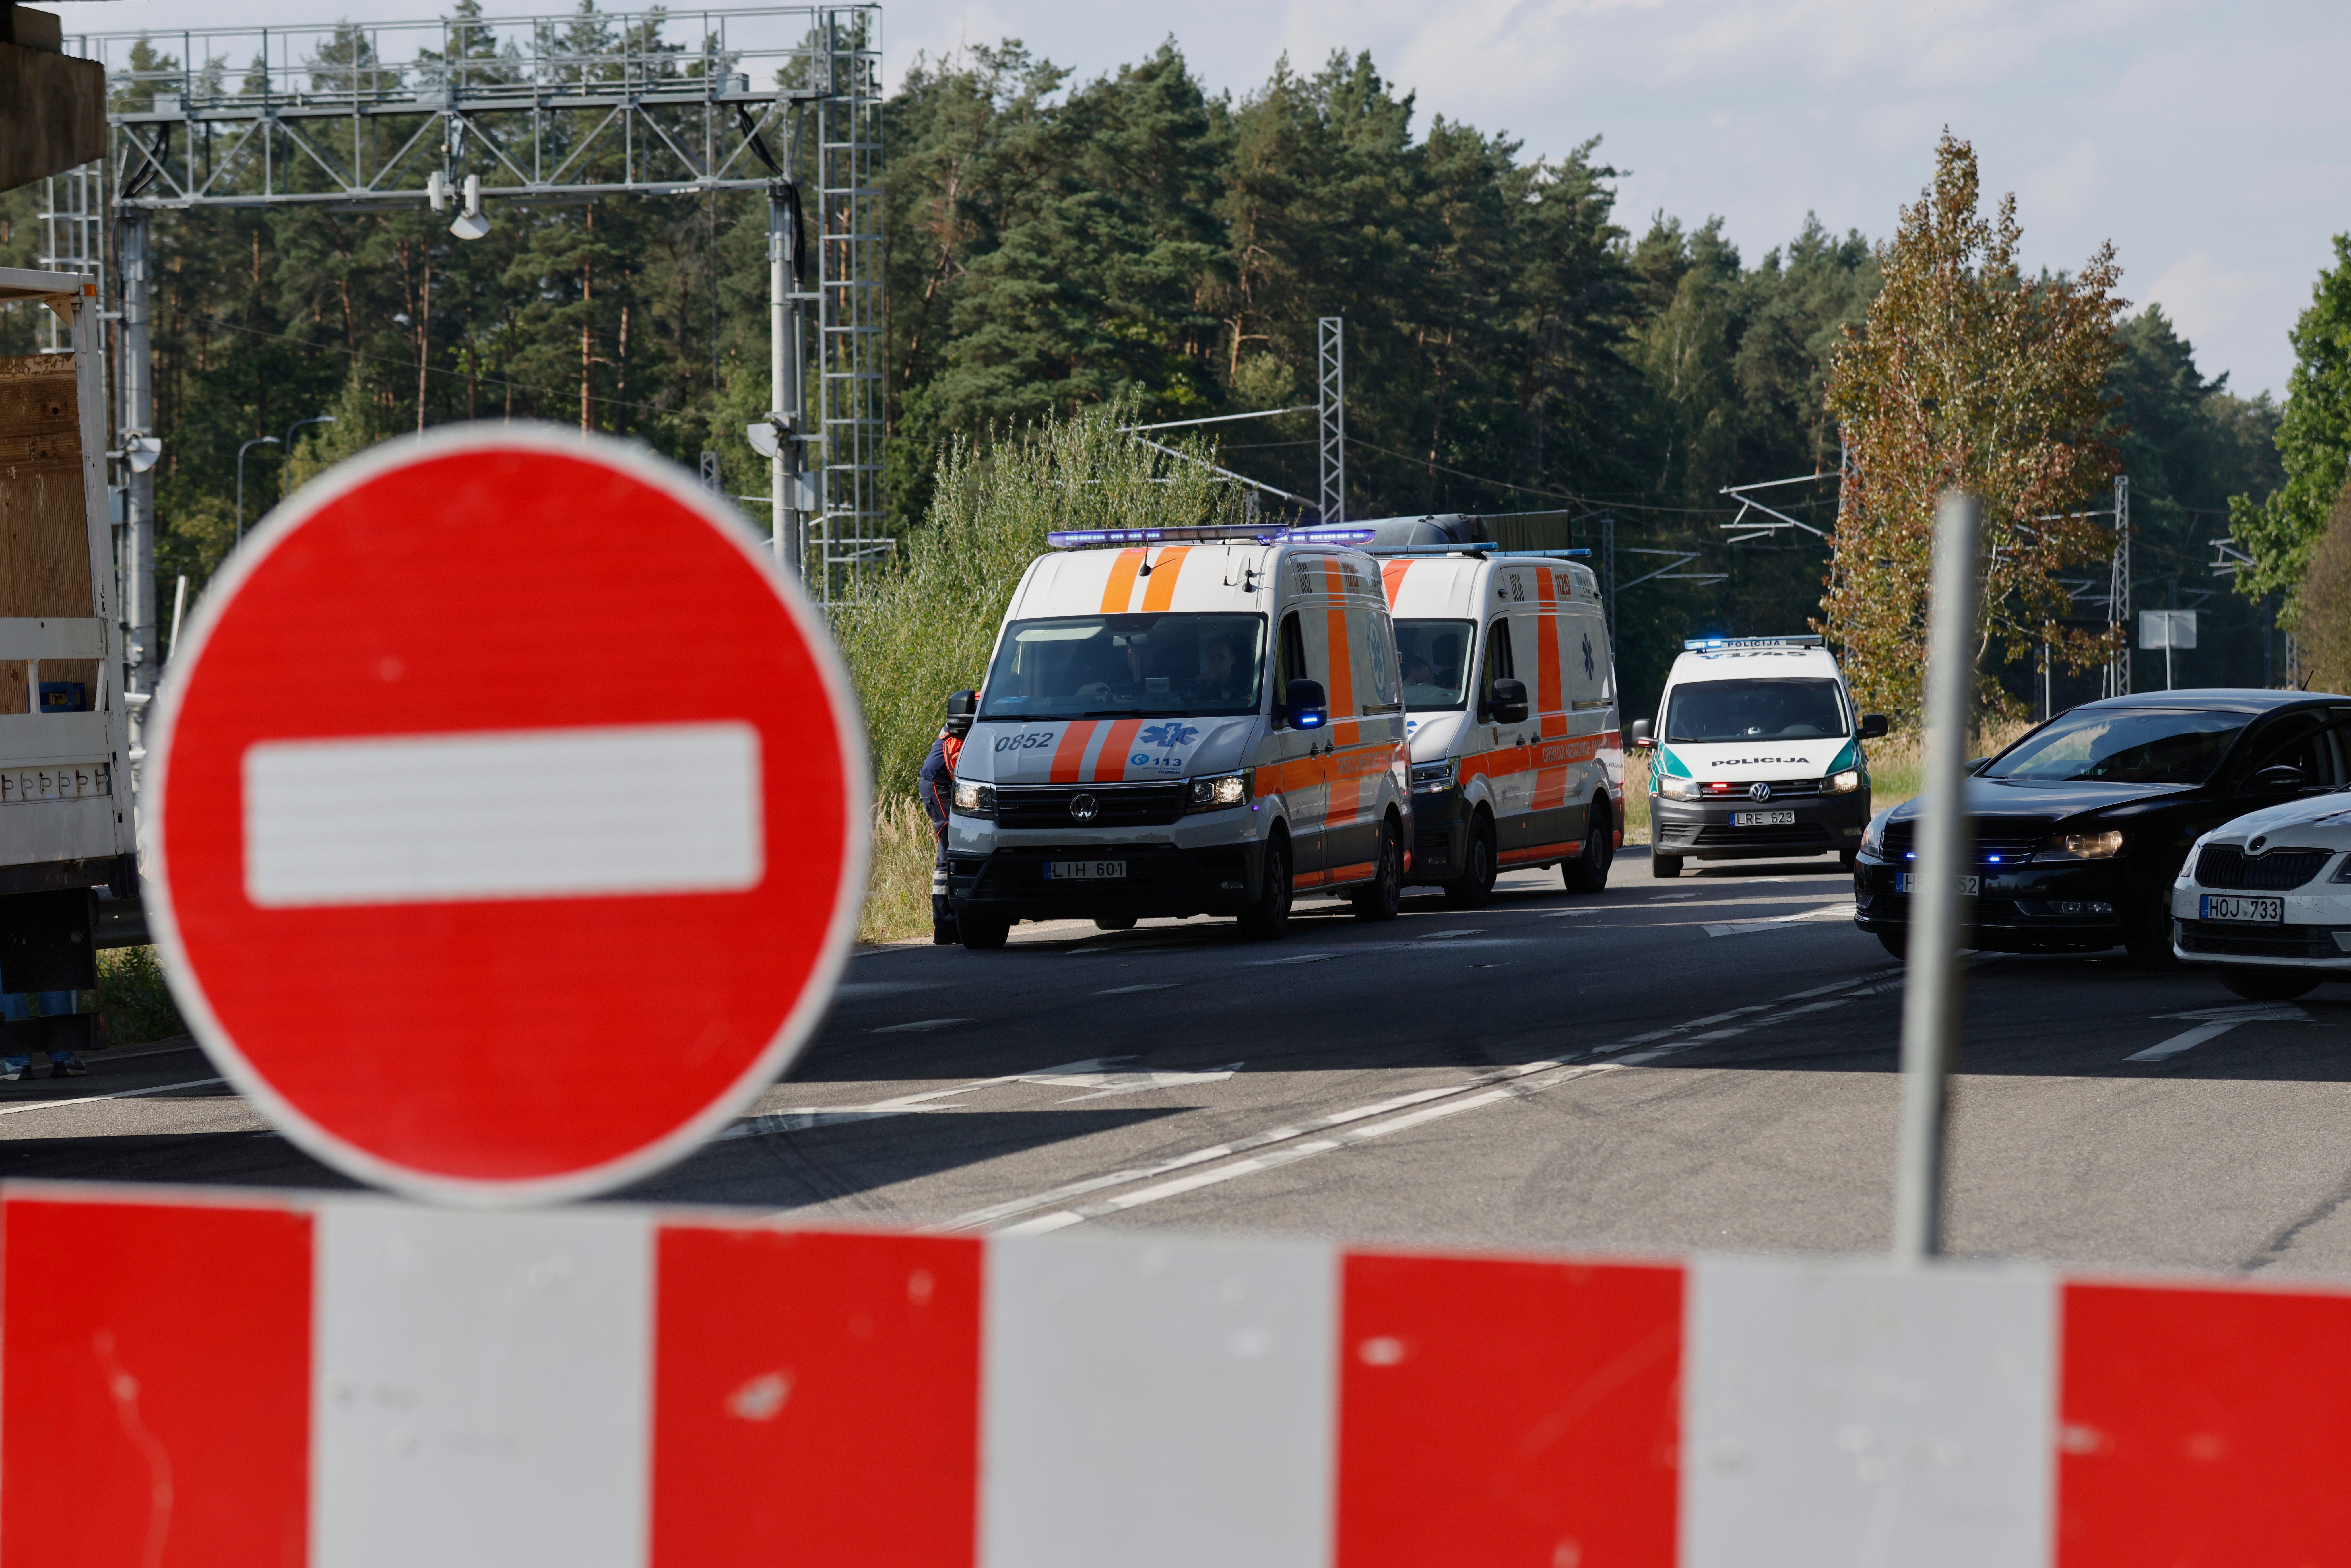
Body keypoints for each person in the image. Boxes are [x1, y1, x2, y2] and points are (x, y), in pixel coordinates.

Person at [918, 691, 976, 944]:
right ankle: (945, 926)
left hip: (942, 784)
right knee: (949, 848)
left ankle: (951, 925)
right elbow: (954, 761)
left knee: (952, 849)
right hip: (938, 785)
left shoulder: (978, 704)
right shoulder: (974, 710)